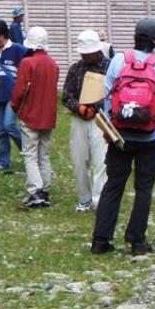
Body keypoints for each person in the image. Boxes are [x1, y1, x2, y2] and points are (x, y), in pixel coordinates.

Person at [91, 17, 155, 256]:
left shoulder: (119, 59)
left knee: (114, 184)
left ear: (134, 37)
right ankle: (136, 241)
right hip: (149, 136)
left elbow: (106, 95)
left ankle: (100, 241)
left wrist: (108, 130)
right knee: (143, 188)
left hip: (120, 134)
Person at [62, 30, 110, 212]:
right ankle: (84, 199)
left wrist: (95, 107)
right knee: (79, 160)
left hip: (101, 118)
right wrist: (79, 107)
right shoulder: (76, 68)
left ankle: (99, 199)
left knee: (101, 160)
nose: (84, 56)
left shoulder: (110, 66)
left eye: (87, 52)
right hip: (79, 118)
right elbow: (67, 95)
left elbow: (114, 93)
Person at [11, 26, 59, 208]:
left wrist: (15, 107)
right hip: (48, 116)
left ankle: (35, 190)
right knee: (43, 155)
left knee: (30, 155)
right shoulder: (53, 64)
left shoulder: (27, 63)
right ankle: (45, 190)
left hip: (30, 114)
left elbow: (20, 90)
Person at [0, 19, 29, 174]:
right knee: (1, 131)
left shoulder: (17, 49)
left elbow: (28, 65)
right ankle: (3, 161)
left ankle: (28, 152)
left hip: (14, 94)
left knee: (9, 125)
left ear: (4, 34)